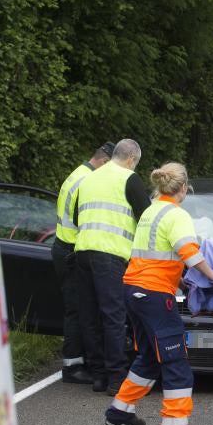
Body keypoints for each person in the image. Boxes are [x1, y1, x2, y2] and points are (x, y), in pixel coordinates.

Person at [104, 162, 213, 425]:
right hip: (156, 296)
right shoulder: (178, 214)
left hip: (134, 290)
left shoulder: (150, 211)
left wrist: (179, 280)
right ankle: (174, 424)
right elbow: (188, 252)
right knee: (175, 359)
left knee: (149, 356)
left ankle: (120, 410)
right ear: (184, 187)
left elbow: (155, 254)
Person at [74, 138, 151, 395]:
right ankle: (116, 378)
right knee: (113, 317)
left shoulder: (89, 179)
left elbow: (76, 217)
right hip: (111, 255)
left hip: (82, 252)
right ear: (131, 160)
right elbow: (147, 218)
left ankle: (98, 376)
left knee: (89, 315)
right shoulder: (129, 180)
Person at [52, 142, 114, 384]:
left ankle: (78, 360)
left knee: (77, 309)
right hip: (70, 251)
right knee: (77, 311)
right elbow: (84, 219)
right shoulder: (87, 182)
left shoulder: (77, 174)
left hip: (63, 247)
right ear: (105, 162)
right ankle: (73, 366)